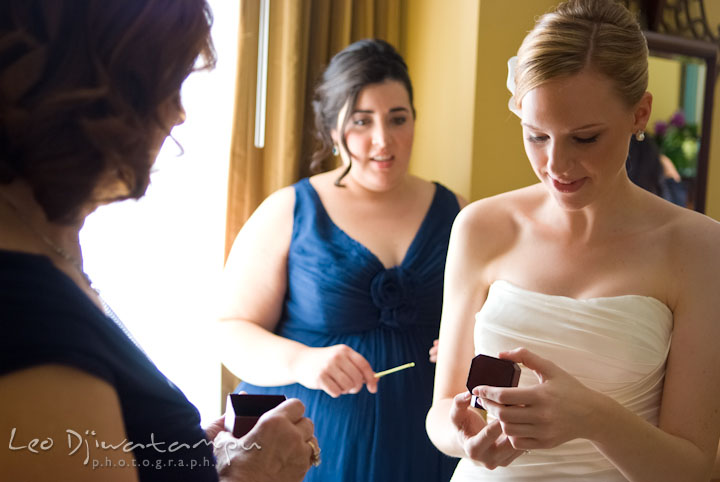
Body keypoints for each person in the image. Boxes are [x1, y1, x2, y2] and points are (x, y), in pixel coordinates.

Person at [0, 1, 317, 481]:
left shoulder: (46, 253)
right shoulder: (26, 314)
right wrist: (251, 474)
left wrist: (185, 457)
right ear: (91, 90)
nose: (179, 114)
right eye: (167, 85)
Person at [426, 0, 720, 480]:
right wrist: (462, 437)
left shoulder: (699, 250)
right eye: (536, 136)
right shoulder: (480, 226)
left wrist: (592, 418)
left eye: (585, 138)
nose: (556, 166)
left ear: (640, 113)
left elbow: (693, 468)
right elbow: (440, 410)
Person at [218, 39, 464, 482]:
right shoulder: (289, 210)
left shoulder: (462, 214)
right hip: (314, 445)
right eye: (361, 121)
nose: (382, 140)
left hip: (431, 448)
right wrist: (303, 362)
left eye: (398, 119)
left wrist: (472, 344)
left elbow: (499, 320)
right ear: (333, 129)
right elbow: (230, 331)